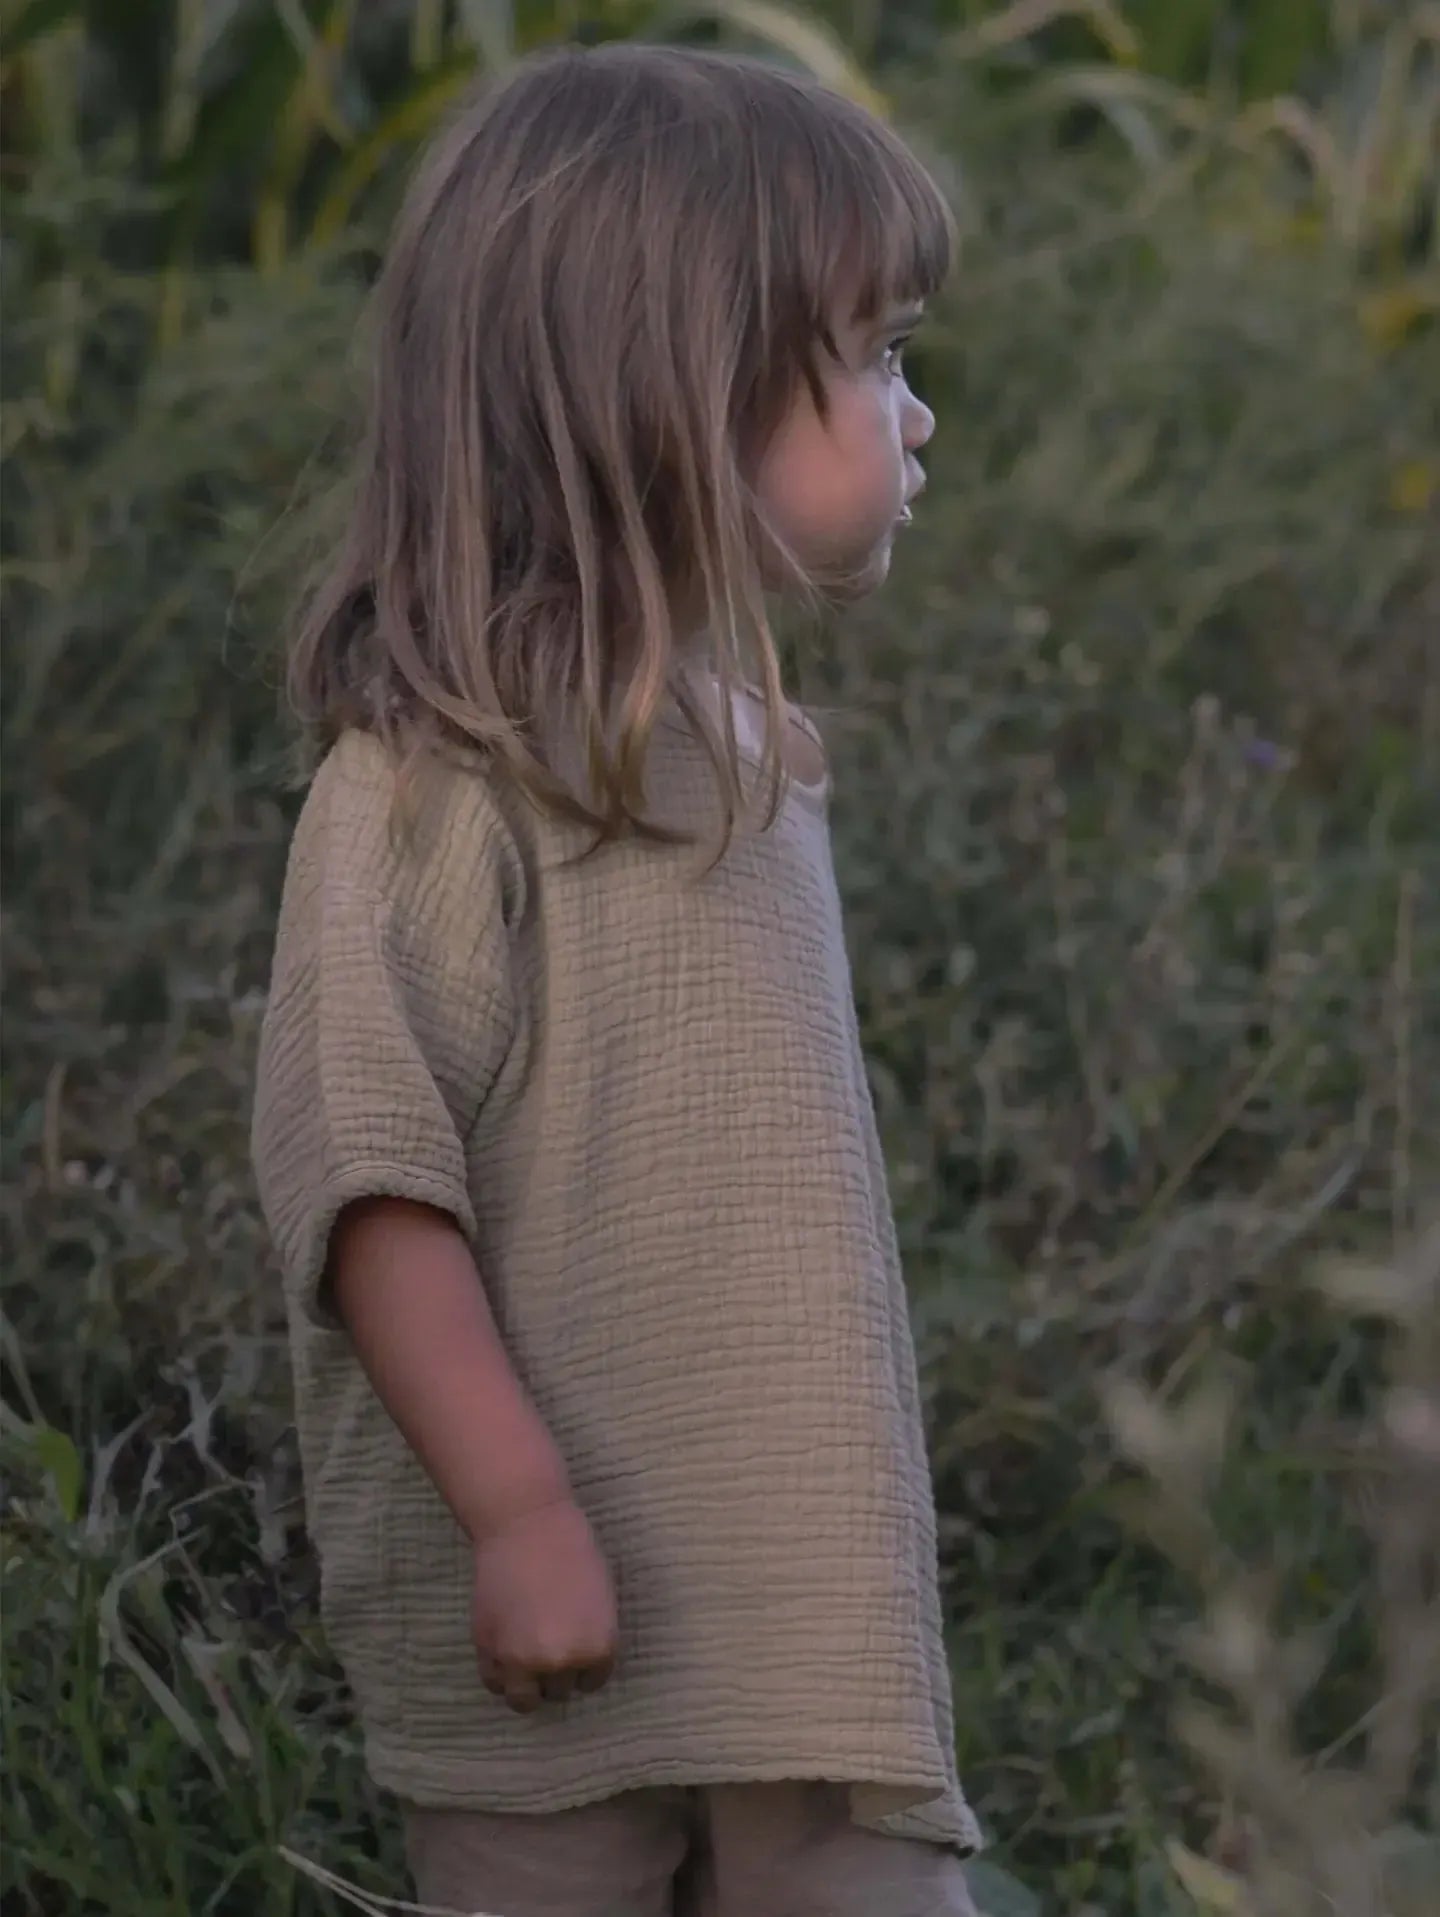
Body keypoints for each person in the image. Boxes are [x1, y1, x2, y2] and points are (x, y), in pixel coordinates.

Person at [251, 40, 982, 1917]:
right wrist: (519, 1510)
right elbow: (372, 1181)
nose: (918, 419)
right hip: (547, 1608)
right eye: (878, 355)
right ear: (673, 394)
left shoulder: (741, 751)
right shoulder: (426, 788)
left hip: (789, 1584)